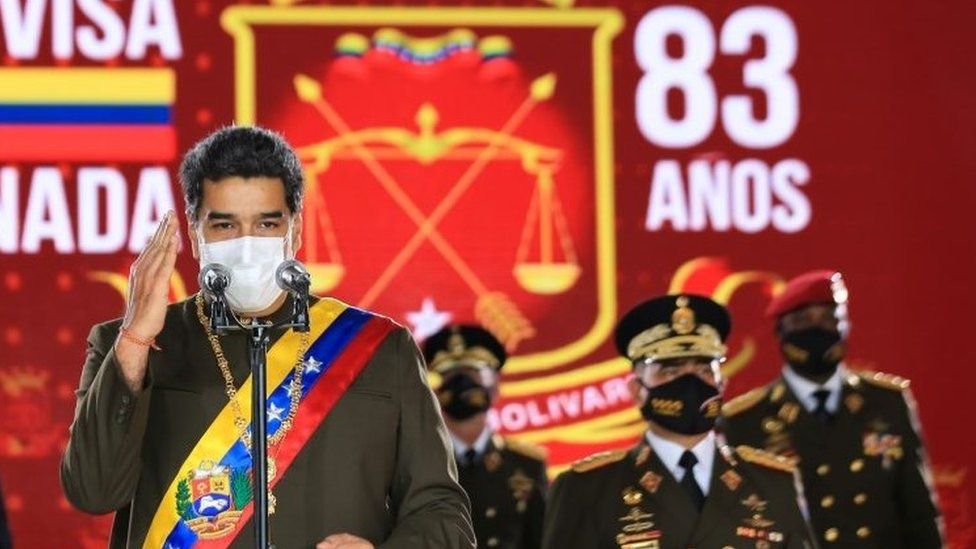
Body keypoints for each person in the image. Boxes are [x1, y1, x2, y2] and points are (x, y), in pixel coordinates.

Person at [59, 126, 476, 549]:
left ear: (295, 231)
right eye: (224, 225)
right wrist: (135, 340)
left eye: (266, 223)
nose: (246, 244)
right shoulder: (128, 345)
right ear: (194, 233)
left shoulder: (381, 349)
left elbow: (443, 513)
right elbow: (93, 492)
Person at [542, 294, 816, 549]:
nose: (690, 383)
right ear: (638, 391)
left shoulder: (773, 483)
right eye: (670, 371)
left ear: (722, 385)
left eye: (702, 370)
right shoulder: (589, 489)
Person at [722, 270, 944, 548]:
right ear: (781, 331)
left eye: (829, 318)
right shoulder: (745, 419)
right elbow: (739, 526)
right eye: (802, 321)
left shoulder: (886, 402)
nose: (818, 329)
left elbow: (919, 514)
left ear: (846, 325)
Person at [422, 325, 547, 549]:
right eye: (450, 377)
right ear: (436, 392)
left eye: (472, 375)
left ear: (495, 387)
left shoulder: (527, 464)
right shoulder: (418, 462)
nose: (462, 385)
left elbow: (540, 540)